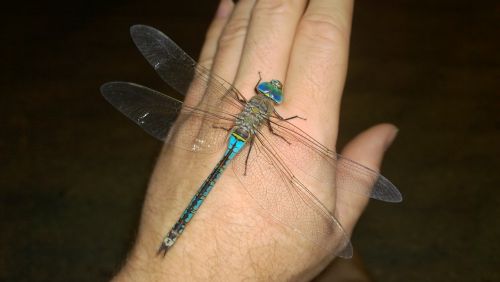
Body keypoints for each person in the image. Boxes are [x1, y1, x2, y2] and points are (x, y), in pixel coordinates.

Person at [112, 0, 398, 280]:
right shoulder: (270, 116)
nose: (270, 90)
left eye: (270, 92)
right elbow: (278, 128)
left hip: (236, 130)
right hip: (245, 139)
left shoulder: (245, 100)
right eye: (268, 89)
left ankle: (172, 236)